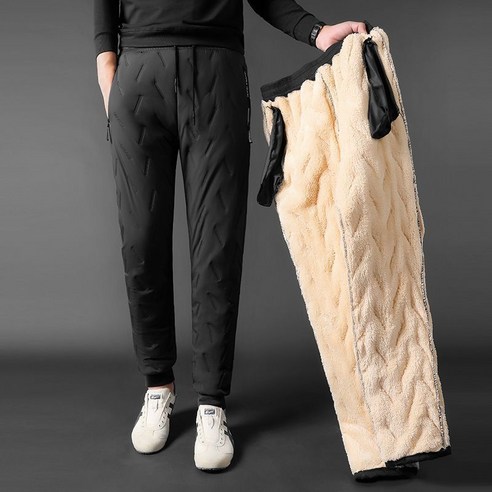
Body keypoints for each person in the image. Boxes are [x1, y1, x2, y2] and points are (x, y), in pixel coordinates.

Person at [94, 0, 367, 471]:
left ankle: (211, 403)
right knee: (140, 242)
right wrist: (111, 85)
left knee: (217, 243)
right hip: (138, 77)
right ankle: (158, 386)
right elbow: (103, 17)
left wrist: (317, 32)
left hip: (216, 73)